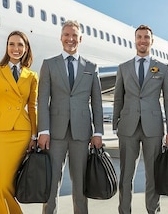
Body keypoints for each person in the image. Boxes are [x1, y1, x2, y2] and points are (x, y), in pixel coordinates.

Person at [37, 20, 104, 214]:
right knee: (51, 184)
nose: (70, 39)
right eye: (67, 35)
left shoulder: (91, 67)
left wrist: (98, 131)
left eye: (74, 35)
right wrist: (43, 130)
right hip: (55, 134)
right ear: (61, 37)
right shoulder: (49, 65)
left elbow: (97, 103)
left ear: (80, 39)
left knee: (80, 185)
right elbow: (43, 100)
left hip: (81, 134)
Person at [113, 25, 168, 214]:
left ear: (151, 41)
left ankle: (153, 211)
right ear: (135, 40)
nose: (143, 40)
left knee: (153, 176)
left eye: (146, 37)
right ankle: (124, 211)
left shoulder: (163, 68)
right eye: (139, 37)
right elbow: (118, 98)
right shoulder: (123, 68)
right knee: (126, 176)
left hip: (153, 128)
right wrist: (116, 123)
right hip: (128, 128)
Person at [0, 30, 38, 213]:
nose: (16, 48)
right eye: (12, 44)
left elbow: (32, 108)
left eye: (20, 45)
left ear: (26, 48)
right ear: (6, 47)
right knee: (2, 183)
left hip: (22, 133)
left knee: (9, 184)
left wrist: (34, 135)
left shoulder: (31, 76)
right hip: (0, 133)